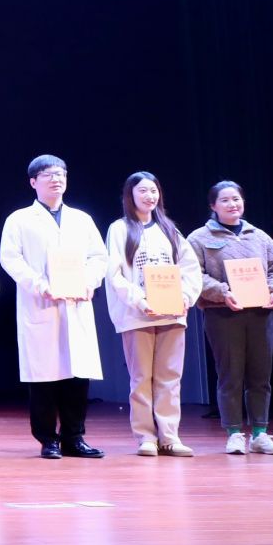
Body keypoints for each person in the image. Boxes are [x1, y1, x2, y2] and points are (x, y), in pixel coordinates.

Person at [0, 155, 108, 459]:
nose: (56, 179)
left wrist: (90, 282)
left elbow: (99, 257)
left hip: (76, 303)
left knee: (77, 376)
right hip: (41, 303)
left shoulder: (81, 219)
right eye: (48, 175)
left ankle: (75, 437)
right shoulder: (19, 219)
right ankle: (48, 439)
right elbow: (10, 258)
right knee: (43, 377)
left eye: (61, 174)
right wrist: (39, 285)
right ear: (33, 182)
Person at [104, 171, 205, 457]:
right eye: (143, 191)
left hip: (172, 314)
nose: (150, 196)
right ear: (130, 195)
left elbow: (190, 269)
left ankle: (170, 436)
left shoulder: (169, 230)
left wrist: (185, 297)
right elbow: (114, 274)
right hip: (138, 315)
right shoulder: (120, 229)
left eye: (154, 191)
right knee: (141, 379)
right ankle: (146, 436)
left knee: (169, 378)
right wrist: (139, 300)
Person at [188, 181, 273, 455]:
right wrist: (223, 293)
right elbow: (192, 274)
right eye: (225, 200)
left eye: (236, 199)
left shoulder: (259, 236)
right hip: (223, 314)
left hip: (260, 313)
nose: (232, 204)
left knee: (260, 376)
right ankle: (234, 433)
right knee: (230, 375)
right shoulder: (199, 238)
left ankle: (260, 433)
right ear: (213, 205)